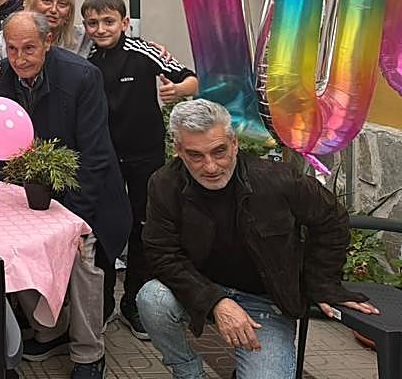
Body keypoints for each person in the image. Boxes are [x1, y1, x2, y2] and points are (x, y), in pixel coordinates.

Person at [138, 100, 378, 379]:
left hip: (266, 301)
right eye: (196, 155)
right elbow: (161, 252)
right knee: (152, 299)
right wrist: (215, 301)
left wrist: (322, 283)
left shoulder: (278, 178)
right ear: (179, 151)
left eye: (219, 151)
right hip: (200, 287)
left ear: (234, 143)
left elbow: (331, 219)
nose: (211, 166)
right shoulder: (165, 183)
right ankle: (188, 373)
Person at [0, 11, 131, 379]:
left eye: (29, 48)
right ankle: (52, 330)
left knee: (81, 258)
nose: (20, 59)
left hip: (86, 191)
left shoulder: (81, 76)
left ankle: (88, 353)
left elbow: (96, 156)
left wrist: (76, 220)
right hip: (32, 190)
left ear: (49, 42)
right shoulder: (3, 76)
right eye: (13, 49)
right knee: (14, 251)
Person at [80, 0, 199, 337]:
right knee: (104, 229)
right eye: (92, 23)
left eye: (108, 21)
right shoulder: (86, 60)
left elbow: (190, 78)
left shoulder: (143, 51)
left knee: (144, 229)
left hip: (146, 157)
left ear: (124, 22)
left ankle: (133, 303)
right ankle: (102, 305)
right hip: (105, 159)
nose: (100, 29)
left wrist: (177, 91)